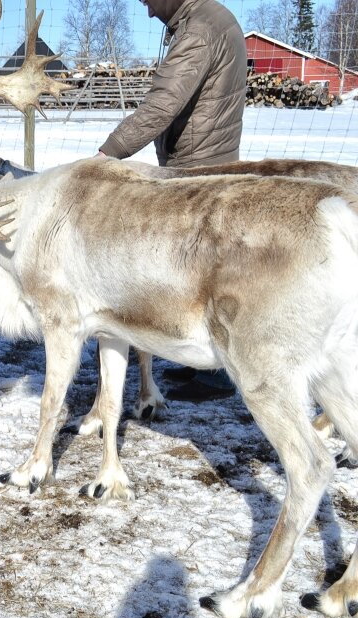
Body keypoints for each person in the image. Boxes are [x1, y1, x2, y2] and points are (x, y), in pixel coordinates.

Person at [96, 0, 247, 402]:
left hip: (199, 166)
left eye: (148, 1)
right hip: (202, 158)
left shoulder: (200, 28)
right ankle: (205, 359)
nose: (147, 12)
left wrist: (108, 153)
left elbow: (164, 102)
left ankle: (218, 373)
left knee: (208, 268)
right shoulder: (206, 19)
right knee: (202, 266)